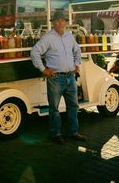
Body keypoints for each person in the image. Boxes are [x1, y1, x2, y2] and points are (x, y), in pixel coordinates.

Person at [30, 10, 86, 145]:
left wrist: (77, 64)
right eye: (57, 20)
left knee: (73, 106)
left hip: (70, 77)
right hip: (56, 78)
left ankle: (74, 131)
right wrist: (44, 69)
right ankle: (56, 133)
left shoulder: (69, 36)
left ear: (66, 22)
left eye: (62, 20)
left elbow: (77, 50)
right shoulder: (48, 37)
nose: (59, 23)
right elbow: (34, 52)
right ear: (53, 23)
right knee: (54, 108)